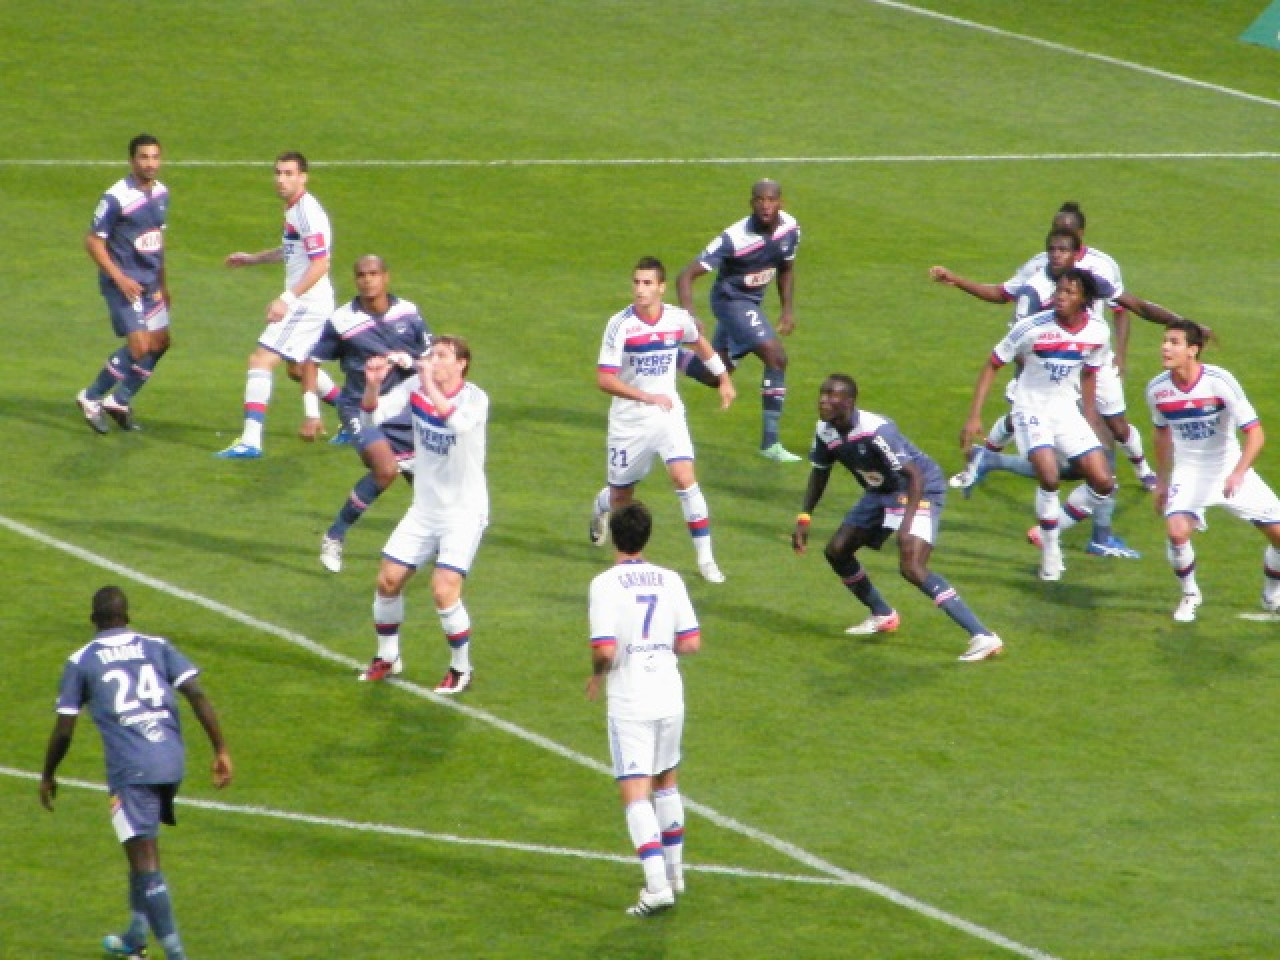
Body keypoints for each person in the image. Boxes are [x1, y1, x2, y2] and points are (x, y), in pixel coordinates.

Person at [934, 202, 1183, 504]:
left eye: (1064, 239)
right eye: (1053, 239)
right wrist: (957, 280)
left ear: (1079, 238)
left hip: (1092, 357)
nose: (1055, 250)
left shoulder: (1099, 269)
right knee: (1030, 424)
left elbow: (1130, 307)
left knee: (1113, 427)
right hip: (1048, 360)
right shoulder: (1036, 273)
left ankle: (1143, 471)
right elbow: (1003, 295)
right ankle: (985, 461)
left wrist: (1135, 346)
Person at [40, 587, 232, 960]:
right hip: (171, 760)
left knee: (146, 861)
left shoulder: (82, 660)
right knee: (140, 848)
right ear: (127, 615)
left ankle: (177, 955)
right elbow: (195, 693)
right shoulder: (156, 645)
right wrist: (220, 749)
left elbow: (64, 729)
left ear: (93, 619)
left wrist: (48, 773)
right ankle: (134, 938)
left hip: (133, 768)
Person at [792, 375, 1002, 662]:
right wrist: (805, 516)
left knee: (912, 566)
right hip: (881, 491)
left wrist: (905, 525)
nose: (824, 400)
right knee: (837, 551)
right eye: (822, 394)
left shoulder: (877, 431)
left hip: (919, 488)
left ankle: (983, 636)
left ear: (850, 402)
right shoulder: (825, 430)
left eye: (833, 396)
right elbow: (820, 471)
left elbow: (913, 475)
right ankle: (882, 613)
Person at [962, 268, 1117, 581]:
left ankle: (1050, 528)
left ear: (1084, 299)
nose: (1060, 296)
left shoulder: (1098, 332)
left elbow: (1090, 371)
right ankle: (1051, 551)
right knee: (1048, 476)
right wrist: (974, 416)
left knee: (1103, 481)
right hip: (1030, 406)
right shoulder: (1031, 327)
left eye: (1069, 292)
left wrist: (1089, 417)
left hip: (1064, 409)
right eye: (1058, 290)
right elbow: (993, 363)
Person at [590, 256, 735, 583]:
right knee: (620, 497)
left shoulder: (677, 319)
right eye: (636, 282)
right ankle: (600, 508)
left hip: (668, 414)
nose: (640, 290)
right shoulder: (620, 325)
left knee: (685, 478)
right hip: (629, 421)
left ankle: (706, 560)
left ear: (661, 288)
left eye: (647, 283)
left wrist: (723, 378)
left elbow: (700, 344)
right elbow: (604, 379)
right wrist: (647, 397)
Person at [587, 501, 701, 916]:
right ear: (647, 536)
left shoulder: (605, 585)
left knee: (635, 792)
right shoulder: (671, 580)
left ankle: (656, 887)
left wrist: (597, 674)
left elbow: (603, 649)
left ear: (615, 537)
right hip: (670, 692)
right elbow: (690, 642)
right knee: (666, 781)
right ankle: (675, 874)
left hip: (631, 696)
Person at [357, 336, 488, 693]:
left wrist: (427, 381)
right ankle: (388, 657)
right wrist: (372, 385)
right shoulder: (415, 386)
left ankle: (461, 669)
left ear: (461, 364)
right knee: (387, 580)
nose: (433, 361)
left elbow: (457, 425)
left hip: (464, 510)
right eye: (431, 355)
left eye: (442, 356)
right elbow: (371, 417)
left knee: (443, 590)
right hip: (425, 507)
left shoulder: (475, 398)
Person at [1146, 320, 1280, 622]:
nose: (1165, 347)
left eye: (1174, 342)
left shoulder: (1220, 381)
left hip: (1229, 468)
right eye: (1165, 341)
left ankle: (1272, 595)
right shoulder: (1157, 390)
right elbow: (1161, 434)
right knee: (1176, 530)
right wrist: (1162, 482)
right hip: (1189, 473)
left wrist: (1238, 473)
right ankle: (1190, 594)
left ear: (1193, 350)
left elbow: (1256, 433)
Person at [306, 255, 430, 572]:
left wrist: (409, 361)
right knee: (386, 469)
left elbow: (430, 360)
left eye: (373, 274)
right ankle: (334, 536)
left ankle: (437, 541)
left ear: (386, 277)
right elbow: (310, 363)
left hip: (404, 410)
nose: (367, 280)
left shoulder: (409, 314)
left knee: (426, 483)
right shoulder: (342, 321)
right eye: (361, 275)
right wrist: (312, 412)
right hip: (360, 407)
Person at [216, 151, 340, 459]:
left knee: (261, 360)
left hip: (307, 304)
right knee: (298, 370)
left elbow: (321, 263)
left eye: (288, 174)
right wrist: (253, 259)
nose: (281, 180)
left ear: (303, 177)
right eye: (278, 173)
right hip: (312, 301)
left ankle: (250, 441)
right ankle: (358, 421)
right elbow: (293, 251)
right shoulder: (294, 210)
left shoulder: (307, 212)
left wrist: (287, 299)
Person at [676, 179, 801, 461]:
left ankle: (669, 355)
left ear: (781, 202)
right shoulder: (734, 237)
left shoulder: (791, 228)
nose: (765, 205)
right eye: (759, 200)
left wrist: (787, 310)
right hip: (731, 302)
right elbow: (685, 275)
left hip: (750, 304)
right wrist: (689, 315)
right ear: (751, 203)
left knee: (714, 374)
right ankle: (770, 443)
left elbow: (786, 268)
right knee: (776, 357)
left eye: (771, 200)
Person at [76, 134, 171, 434]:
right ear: (132, 161)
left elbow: (157, 240)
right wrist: (119, 277)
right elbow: (92, 242)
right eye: (144, 157)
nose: (150, 163)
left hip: (150, 282)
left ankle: (119, 400)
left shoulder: (162, 194)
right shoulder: (115, 197)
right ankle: (90, 397)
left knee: (160, 343)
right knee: (140, 345)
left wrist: (163, 283)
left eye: (155, 157)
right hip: (124, 283)